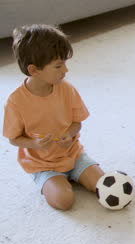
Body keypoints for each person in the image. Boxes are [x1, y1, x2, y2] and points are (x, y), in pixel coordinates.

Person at [3, 24, 104, 210]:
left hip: (73, 155)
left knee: (103, 185)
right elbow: (13, 139)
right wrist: (34, 144)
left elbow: (77, 122)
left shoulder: (66, 89)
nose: (65, 70)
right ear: (33, 70)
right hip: (42, 164)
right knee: (64, 201)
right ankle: (50, 180)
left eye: (65, 63)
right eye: (58, 66)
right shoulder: (15, 102)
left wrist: (69, 133)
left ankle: (74, 174)